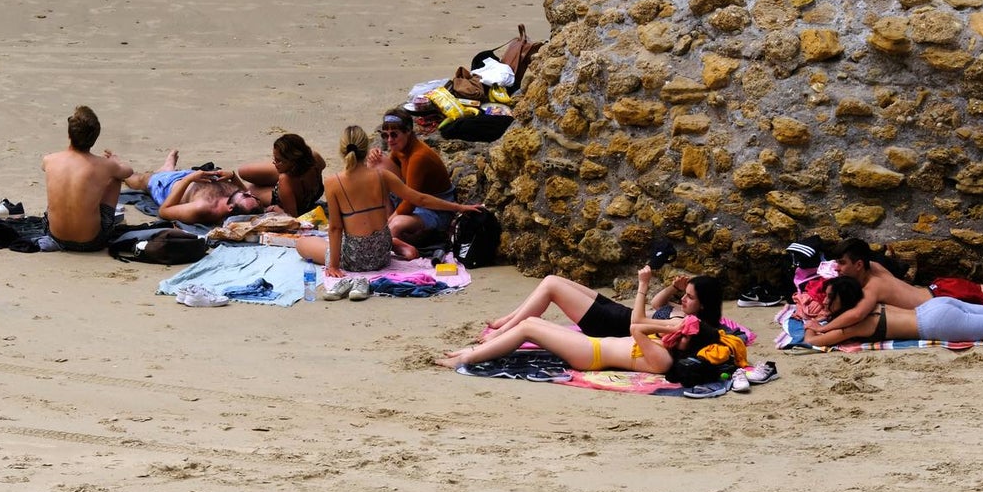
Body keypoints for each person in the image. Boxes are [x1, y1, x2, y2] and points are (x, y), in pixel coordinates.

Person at [438, 266, 737, 374]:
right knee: (535, 325)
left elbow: (636, 326)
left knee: (529, 327)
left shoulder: (664, 359)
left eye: (681, 333)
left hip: (590, 355)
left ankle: (467, 359)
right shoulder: (669, 343)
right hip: (592, 344)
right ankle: (469, 353)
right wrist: (674, 321)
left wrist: (669, 321)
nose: (676, 331)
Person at [296, 125, 484, 277]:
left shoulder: (333, 183)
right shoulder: (381, 176)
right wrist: (460, 207)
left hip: (355, 259)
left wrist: (334, 266)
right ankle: (394, 242)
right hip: (382, 253)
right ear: (365, 149)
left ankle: (395, 242)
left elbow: (336, 228)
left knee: (302, 244)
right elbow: (420, 199)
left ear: (342, 150)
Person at [805, 238, 983, 336]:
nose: (837, 269)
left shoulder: (872, 288)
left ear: (858, 265)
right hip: (937, 289)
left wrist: (824, 326)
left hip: (938, 300)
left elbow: (856, 315)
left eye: (841, 263)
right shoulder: (873, 267)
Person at [480, 272, 692, 344]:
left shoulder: (681, 322)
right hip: (618, 312)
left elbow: (638, 322)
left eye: (690, 296)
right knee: (551, 279)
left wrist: (642, 285)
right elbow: (657, 304)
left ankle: (502, 332)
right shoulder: (682, 309)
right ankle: (507, 320)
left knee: (552, 288)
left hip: (611, 325)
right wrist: (674, 287)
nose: (684, 298)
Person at [803, 276, 983, 347]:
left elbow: (812, 342)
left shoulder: (854, 324)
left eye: (831, 297)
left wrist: (809, 325)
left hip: (935, 323)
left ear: (845, 300)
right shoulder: (867, 303)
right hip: (935, 305)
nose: (826, 301)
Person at [42, 105, 134, 252]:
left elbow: (52, 169)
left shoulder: (49, 160)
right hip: (91, 241)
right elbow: (128, 172)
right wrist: (116, 162)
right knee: (115, 178)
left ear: (69, 134)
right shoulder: (105, 165)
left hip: (54, 235)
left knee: (60, 184)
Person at [366, 108, 457, 247]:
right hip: (414, 199)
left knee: (395, 226)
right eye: (386, 136)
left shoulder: (418, 157)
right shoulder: (401, 148)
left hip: (434, 209)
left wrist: (388, 224)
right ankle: (388, 229)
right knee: (376, 162)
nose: (390, 140)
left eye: (394, 135)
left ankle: (394, 237)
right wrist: (374, 156)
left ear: (408, 131)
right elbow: (390, 175)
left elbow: (412, 202)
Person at [124, 149, 262, 225]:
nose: (248, 192)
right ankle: (167, 168)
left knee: (141, 179)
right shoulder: (239, 201)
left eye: (245, 195)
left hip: (170, 184)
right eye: (251, 195)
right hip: (196, 176)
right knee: (165, 172)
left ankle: (118, 169)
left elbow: (164, 211)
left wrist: (188, 179)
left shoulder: (202, 208)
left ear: (230, 208)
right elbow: (246, 196)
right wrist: (233, 176)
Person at [232, 133, 326, 217]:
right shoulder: (314, 158)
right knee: (243, 171)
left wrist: (277, 210)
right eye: (275, 159)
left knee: (251, 190)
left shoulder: (285, 179)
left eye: (279, 160)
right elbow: (323, 165)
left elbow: (292, 218)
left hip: (288, 194)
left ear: (293, 161)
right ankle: (278, 176)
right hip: (297, 181)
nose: (274, 163)